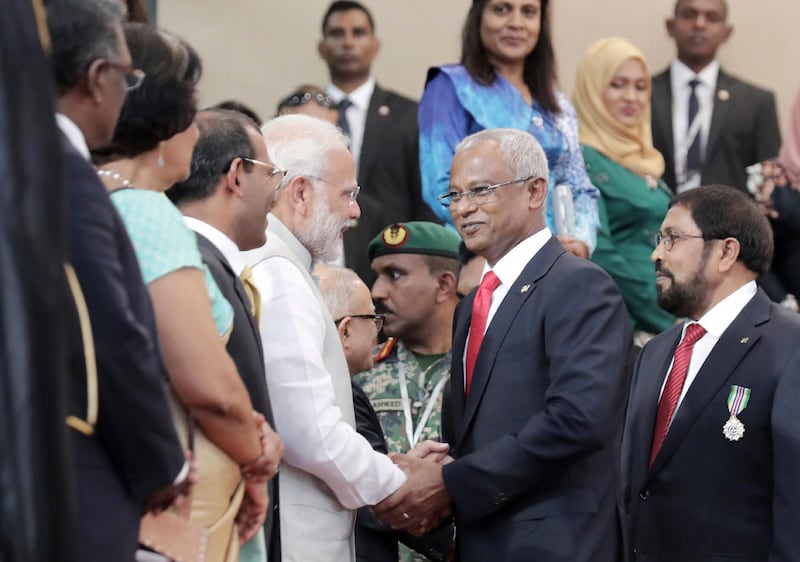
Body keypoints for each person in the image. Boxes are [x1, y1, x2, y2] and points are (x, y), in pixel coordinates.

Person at [374, 128, 632, 561]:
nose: (464, 208)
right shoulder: (472, 304)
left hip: (557, 544)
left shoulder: (579, 284)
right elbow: (475, 436)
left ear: (535, 191)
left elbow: (579, 418)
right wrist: (435, 467)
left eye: (481, 190)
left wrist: (452, 481)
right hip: (482, 541)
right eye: (454, 195)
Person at [93, 24, 280, 562]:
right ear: (164, 118)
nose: (197, 136)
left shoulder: (84, 197)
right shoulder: (147, 212)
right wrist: (259, 453)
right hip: (180, 509)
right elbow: (205, 382)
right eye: (190, 116)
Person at [47, 1, 188, 560]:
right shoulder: (70, 176)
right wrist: (163, 461)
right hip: (82, 467)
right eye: (129, 78)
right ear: (98, 78)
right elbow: (107, 333)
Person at [242, 113, 407, 561]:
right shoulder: (277, 271)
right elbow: (306, 430)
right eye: (347, 194)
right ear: (300, 191)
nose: (356, 211)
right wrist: (398, 482)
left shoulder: (282, 264)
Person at [621, 185, 800, 560]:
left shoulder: (789, 346)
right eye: (658, 240)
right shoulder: (655, 352)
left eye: (672, 238)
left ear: (725, 252)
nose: (656, 254)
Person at [166, 108, 286, 561]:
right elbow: (211, 393)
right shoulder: (193, 267)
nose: (275, 191)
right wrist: (257, 451)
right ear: (237, 175)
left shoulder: (206, 262)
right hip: (210, 523)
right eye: (272, 174)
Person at [419, 0, 600, 258]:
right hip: (483, 254)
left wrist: (581, 242)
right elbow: (440, 185)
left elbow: (579, 185)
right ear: (479, 16)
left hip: (557, 254)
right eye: (502, 9)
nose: (516, 23)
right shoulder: (451, 87)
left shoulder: (557, 104)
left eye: (528, 12)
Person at [355, 221, 460, 562]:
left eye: (394, 275)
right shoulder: (359, 370)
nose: (377, 291)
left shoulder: (481, 368)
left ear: (444, 285)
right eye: (377, 276)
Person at [319, 0, 439, 284]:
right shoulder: (303, 114)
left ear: (375, 45)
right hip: (320, 260)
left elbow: (426, 200)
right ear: (321, 48)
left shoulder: (410, 115)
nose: (348, 42)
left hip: (392, 260)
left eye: (358, 33)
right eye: (337, 34)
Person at [573, 37, 675, 336]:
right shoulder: (581, 159)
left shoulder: (644, 159)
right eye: (617, 85)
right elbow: (599, 251)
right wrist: (666, 320)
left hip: (664, 310)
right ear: (593, 89)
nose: (631, 97)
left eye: (640, 86)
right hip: (621, 323)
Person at [651, 0, 781, 193]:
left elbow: (769, 189)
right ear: (670, 26)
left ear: (727, 33)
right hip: (656, 219)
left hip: (730, 222)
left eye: (712, 18)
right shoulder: (641, 95)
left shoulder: (756, 102)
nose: (700, 24)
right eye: (689, 15)